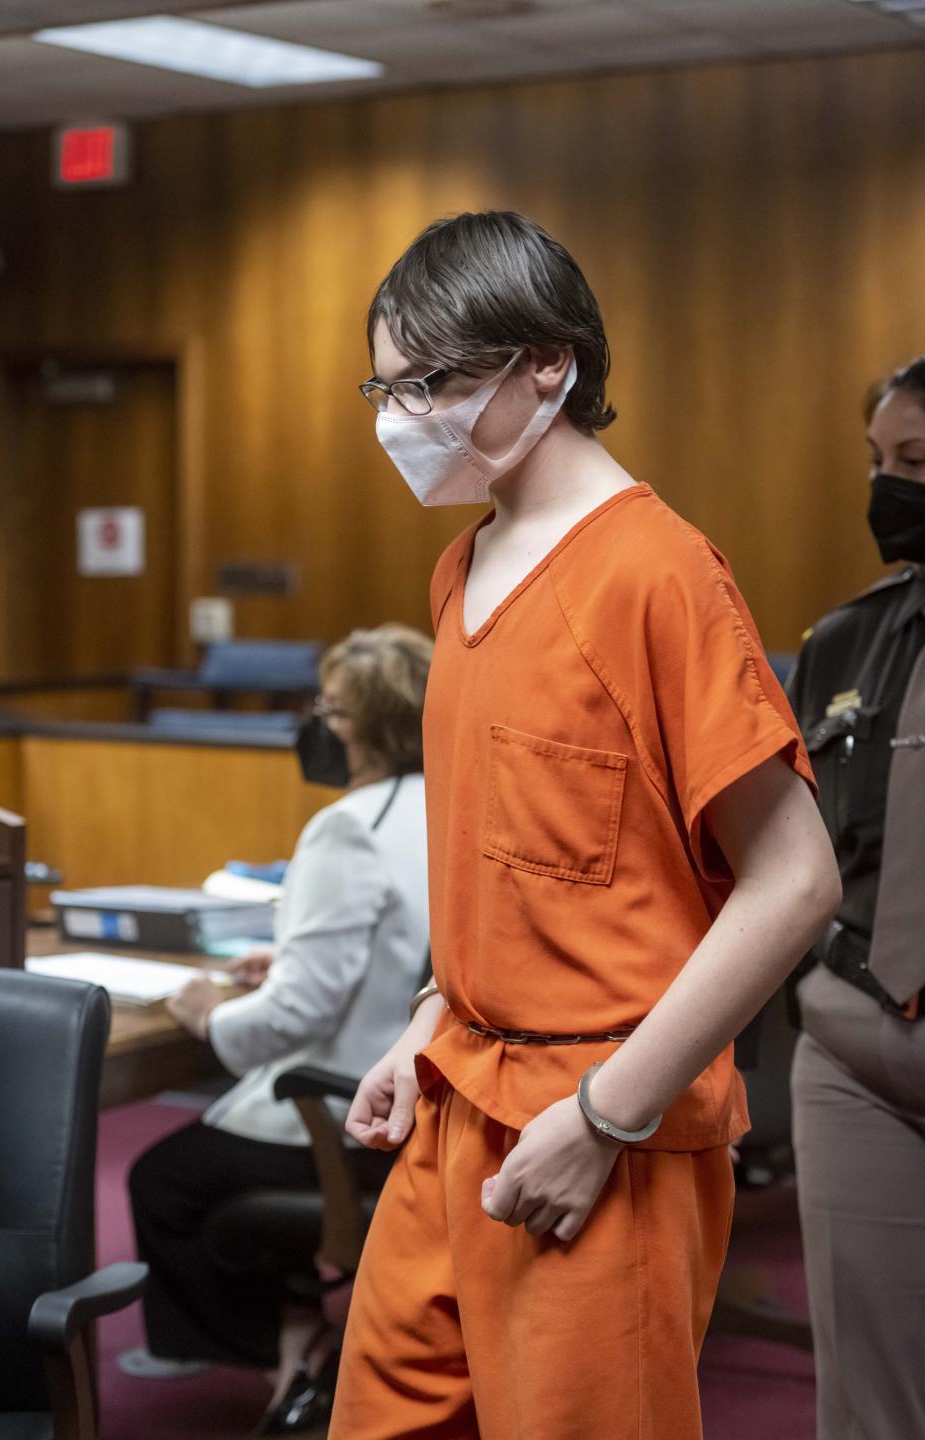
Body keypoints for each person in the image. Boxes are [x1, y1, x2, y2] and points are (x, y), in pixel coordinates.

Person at [329, 210, 841, 1440]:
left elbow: (796, 882)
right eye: (386, 389)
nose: (404, 419)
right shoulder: (460, 568)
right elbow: (506, 857)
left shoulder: (660, 572)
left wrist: (607, 1116)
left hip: (601, 1120)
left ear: (545, 365)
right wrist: (429, 1015)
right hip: (459, 1090)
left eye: (433, 385)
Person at [123, 623, 433, 1433]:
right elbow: (399, 950)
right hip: (423, 1099)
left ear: (376, 726)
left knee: (162, 1181)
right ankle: (299, 1324)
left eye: (333, 712)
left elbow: (295, 1017)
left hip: (340, 1110)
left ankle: (287, 1341)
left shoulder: (348, 825)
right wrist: (289, 954)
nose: (317, 726)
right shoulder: (446, 804)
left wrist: (208, 1013)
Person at [786, 356, 925, 1440]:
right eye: (882, 465)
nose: (892, 492)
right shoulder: (844, 638)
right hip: (852, 1040)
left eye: (917, 462)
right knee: (867, 1391)